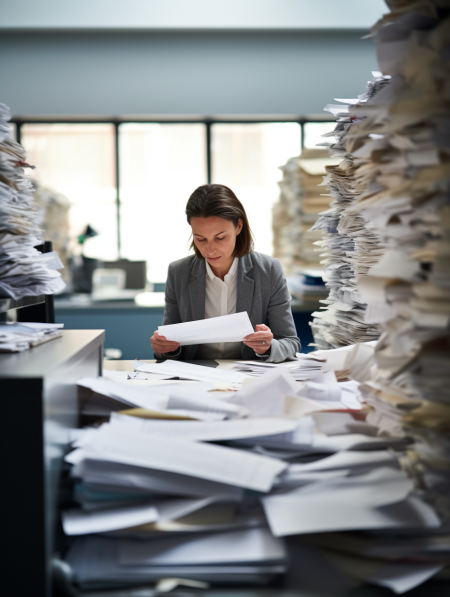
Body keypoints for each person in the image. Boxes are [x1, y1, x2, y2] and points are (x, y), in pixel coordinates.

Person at [151, 184, 301, 362]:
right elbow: (169, 348)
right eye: (200, 239)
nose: (210, 250)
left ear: (238, 226)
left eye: (220, 238)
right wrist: (165, 348)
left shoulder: (268, 270)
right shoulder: (179, 273)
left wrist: (268, 348)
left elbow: (291, 343)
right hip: (197, 377)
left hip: (247, 377)